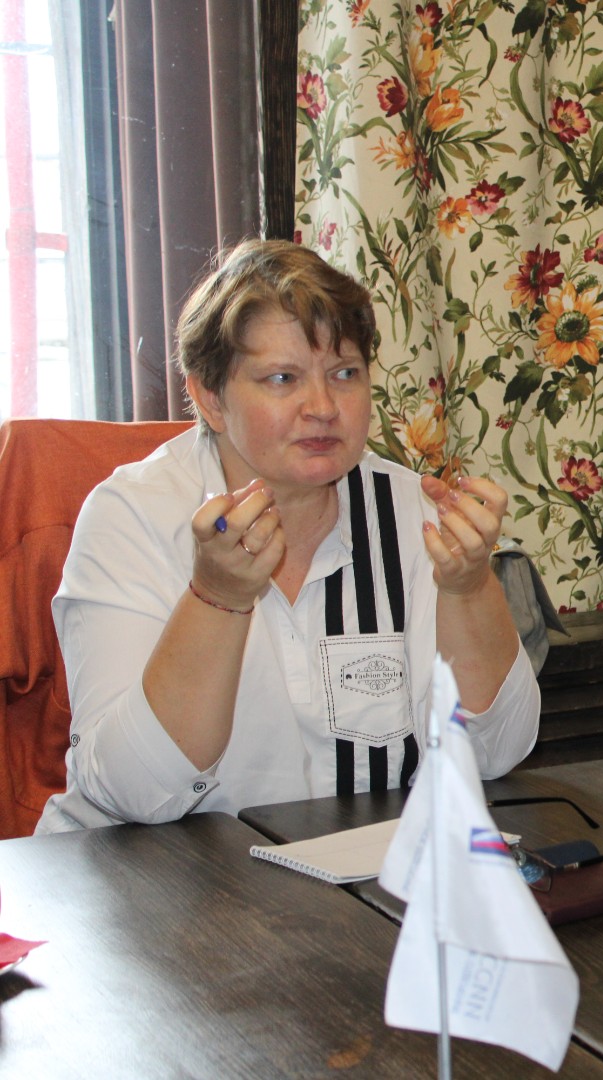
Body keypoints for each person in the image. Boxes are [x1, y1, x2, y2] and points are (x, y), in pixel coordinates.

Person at [36, 240, 539, 832]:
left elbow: (493, 755)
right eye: (282, 378)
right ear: (209, 398)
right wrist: (216, 598)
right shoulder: (133, 516)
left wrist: (469, 589)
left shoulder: (414, 512)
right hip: (145, 874)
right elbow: (131, 792)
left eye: (345, 374)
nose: (322, 406)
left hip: (347, 869)